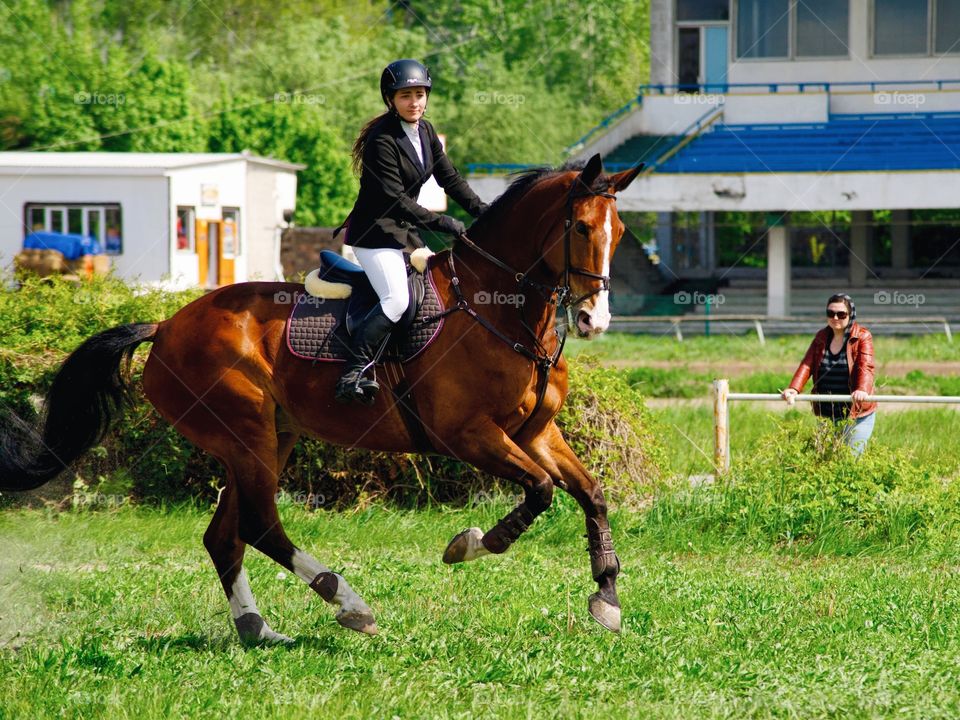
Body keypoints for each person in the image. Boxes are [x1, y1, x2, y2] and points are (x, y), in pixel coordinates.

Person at [333, 58, 487, 405]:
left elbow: (450, 178)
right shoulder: (381, 139)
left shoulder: (426, 132)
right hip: (375, 236)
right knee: (397, 299)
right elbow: (395, 200)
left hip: (404, 236)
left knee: (436, 291)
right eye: (406, 96)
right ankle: (353, 372)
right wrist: (442, 222)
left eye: (419, 94)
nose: (414, 102)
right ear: (391, 100)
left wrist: (484, 211)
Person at [781, 293, 877, 455]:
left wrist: (862, 389)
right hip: (827, 412)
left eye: (841, 314)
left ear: (850, 314)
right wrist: (794, 388)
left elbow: (865, 365)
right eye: (830, 313)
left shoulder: (862, 336)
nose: (835, 318)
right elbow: (807, 364)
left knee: (850, 460)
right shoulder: (821, 336)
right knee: (827, 460)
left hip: (856, 413)